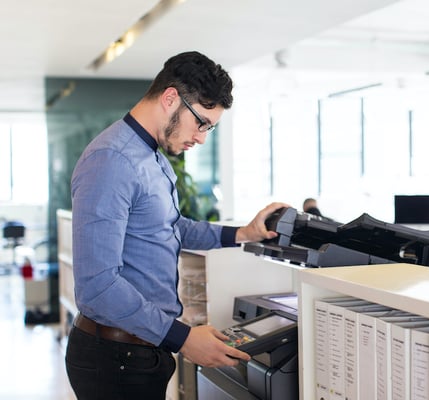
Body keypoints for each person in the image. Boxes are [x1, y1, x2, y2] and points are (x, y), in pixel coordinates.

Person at [65, 51, 288, 399]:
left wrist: (243, 234)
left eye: (209, 128)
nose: (201, 138)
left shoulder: (154, 157)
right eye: (201, 123)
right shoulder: (111, 160)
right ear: (171, 98)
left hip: (142, 348)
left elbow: (171, 228)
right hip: (113, 357)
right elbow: (97, 286)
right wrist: (183, 338)